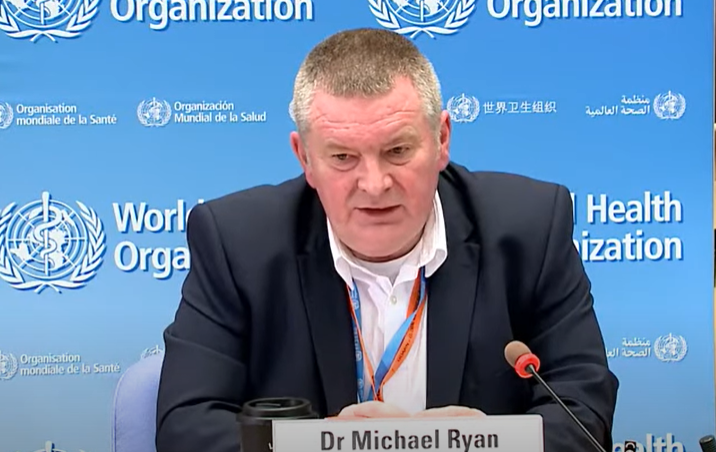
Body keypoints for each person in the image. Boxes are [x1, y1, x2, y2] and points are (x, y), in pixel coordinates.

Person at [155, 28, 619, 452]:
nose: (374, 185)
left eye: (397, 150)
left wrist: (478, 445)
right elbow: (185, 426)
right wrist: (328, 445)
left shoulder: (530, 229)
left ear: (441, 139)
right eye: (343, 157)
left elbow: (584, 413)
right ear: (305, 158)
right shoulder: (237, 243)